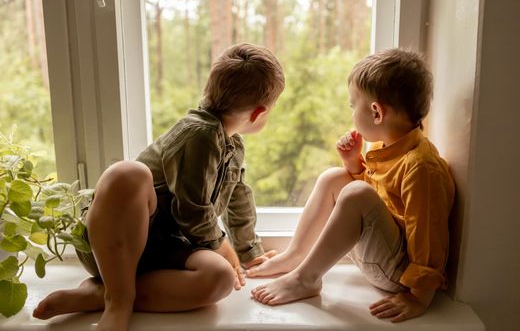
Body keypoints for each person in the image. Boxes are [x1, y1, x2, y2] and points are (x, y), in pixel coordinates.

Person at [32, 43, 284, 331]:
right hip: (115, 249)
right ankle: (118, 300)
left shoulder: (232, 145)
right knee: (128, 173)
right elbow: (193, 210)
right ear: (258, 113)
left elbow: (239, 199)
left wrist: (249, 252)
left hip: (167, 250)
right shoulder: (199, 134)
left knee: (220, 279)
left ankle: (100, 294)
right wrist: (222, 247)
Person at [248, 48, 455, 323]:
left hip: (400, 277)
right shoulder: (390, 147)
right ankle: (295, 256)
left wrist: (418, 296)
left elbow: (428, 237)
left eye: (352, 104)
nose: (351, 112)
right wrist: (354, 165)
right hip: (384, 257)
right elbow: (377, 205)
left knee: (356, 192)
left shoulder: (421, 166)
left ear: (376, 112)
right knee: (334, 177)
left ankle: (306, 279)